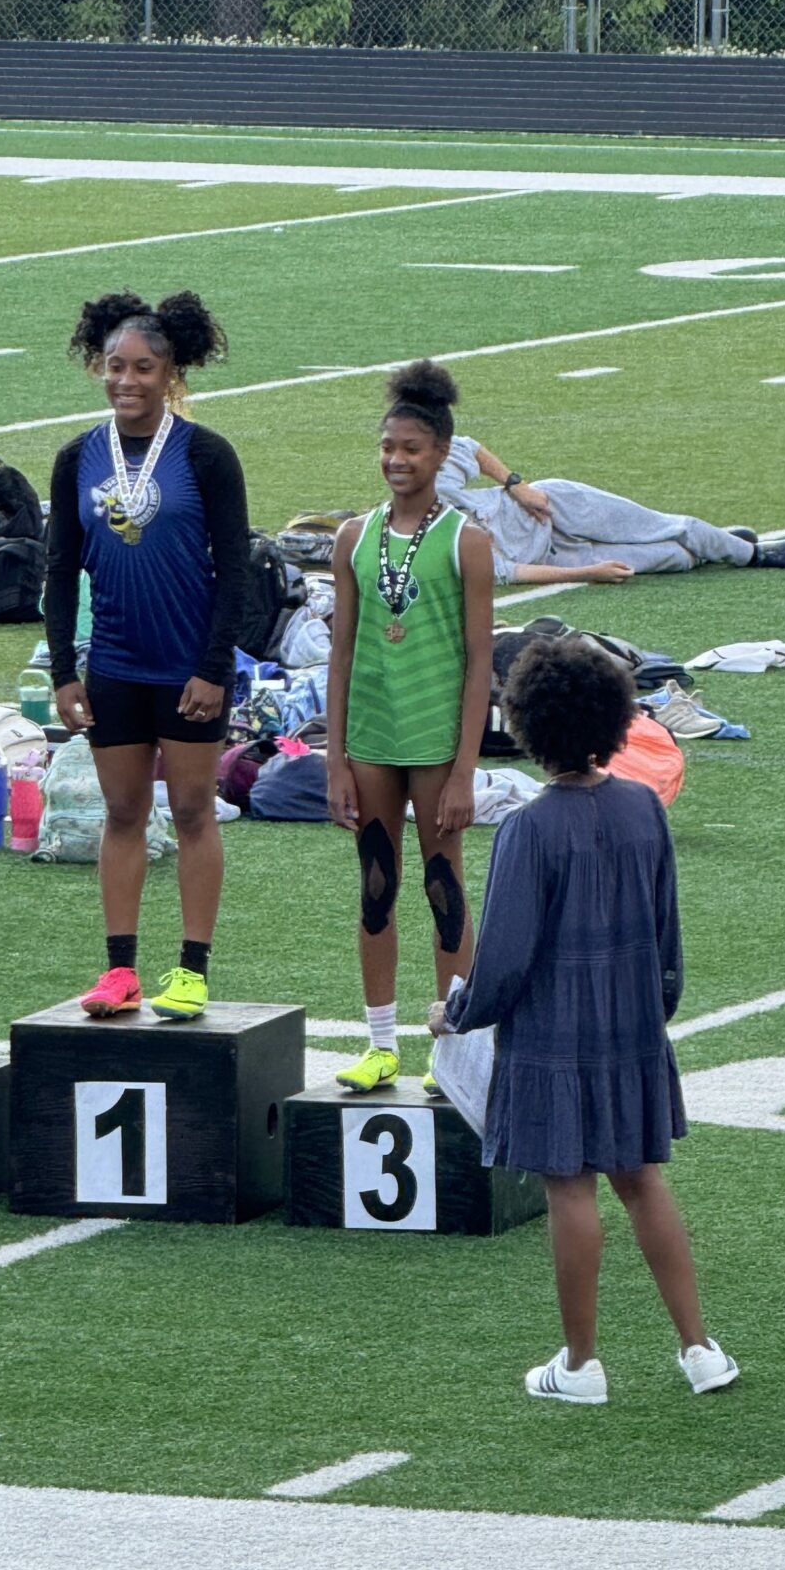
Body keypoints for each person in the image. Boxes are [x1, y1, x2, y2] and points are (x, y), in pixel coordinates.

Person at [432, 636, 738, 1405]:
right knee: (644, 1180)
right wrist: (651, 1013)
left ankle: (580, 1365)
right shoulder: (642, 807)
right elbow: (668, 939)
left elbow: (501, 962)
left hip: (551, 1042)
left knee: (570, 1191)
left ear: (529, 723)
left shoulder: (527, 830)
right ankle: (700, 1349)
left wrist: (455, 1014)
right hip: (633, 1031)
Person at [46, 290, 250, 1022]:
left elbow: (236, 568)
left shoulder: (206, 453)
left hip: (187, 667)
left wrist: (214, 668)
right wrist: (64, 669)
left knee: (193, 809)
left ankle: (192, 969)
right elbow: (59, 569)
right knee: (123, 810)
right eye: (114, 367)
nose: (126, 381)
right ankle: (120, 969)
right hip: (117, 666)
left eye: (143, 369)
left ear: (171, 376)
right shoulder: (78, 456)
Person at [325, 363, 494, 1094]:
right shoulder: (354, 537)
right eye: (388, 447)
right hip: (371, 737)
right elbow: (341, 650)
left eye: (412, 449)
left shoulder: (467, 541)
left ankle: (450, 1048)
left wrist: (463, 769)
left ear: (443, 456)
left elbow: (481, 659)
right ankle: (382, 1042)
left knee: (441, 884)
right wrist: (334, 758)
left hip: (434, 741)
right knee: (375, 884)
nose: (397, 460)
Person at [435, 432, 785, 583]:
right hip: (555, 556)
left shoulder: (434, 484)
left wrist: (515, 484)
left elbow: (466, 445)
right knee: (676, 557)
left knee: (671, 527)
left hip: (549, 507)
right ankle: (714, 546)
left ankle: (751, 554)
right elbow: (512, 572)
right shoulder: (438, 550)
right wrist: (588, 572)